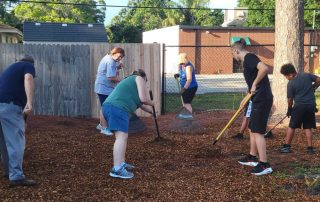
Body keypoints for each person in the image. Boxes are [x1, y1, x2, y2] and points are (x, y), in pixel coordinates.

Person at [231, 38, 273, 176]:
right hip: (256, 98)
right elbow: (253, 86)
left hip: (262, 98)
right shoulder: (248, 60)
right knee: (251, 128)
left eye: (233, 54)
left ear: (236, 50)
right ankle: (252, 157)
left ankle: (264, 164)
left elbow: (264, 68)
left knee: (258, 131)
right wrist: (246, 97)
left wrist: (254, 84)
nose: (233, 56)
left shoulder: (249, 57)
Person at [102, 69, 154, 179]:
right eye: (146, 81)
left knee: (123, 137)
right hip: (117, 108)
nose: (145, 84)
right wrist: (152, 103)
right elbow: (143, 99)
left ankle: (121, 164)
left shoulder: (128, 84)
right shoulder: (138, 78)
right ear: (144, 78)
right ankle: (117, 169)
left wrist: (151, 111)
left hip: (110, 107)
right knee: (121, 137)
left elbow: (139, 103)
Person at [0, 55, 37, 187]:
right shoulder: (28, 66)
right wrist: (29, 102)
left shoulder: (10, 69)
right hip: (9, 106)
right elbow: (28, 78)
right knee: (16, 142)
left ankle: (9, 171)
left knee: (4, 141)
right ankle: (16, 176)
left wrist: (24, 120)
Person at [279, 63, 320, 155]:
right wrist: (314, 87)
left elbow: (290, 99)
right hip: (311, 106)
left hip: (299, 107)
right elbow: (319, 80)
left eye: (286, 76)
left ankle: (286, 146)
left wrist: (289, 109)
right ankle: (310, 148)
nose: (286, 78)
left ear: (290, 74)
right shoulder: (307, 75)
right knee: (308, 126)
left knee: (292, 126)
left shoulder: (291, 83)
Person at [94, 47, 124, 136]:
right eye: (119, 56)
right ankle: (104, 128)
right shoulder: (110, 61)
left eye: (121, 57)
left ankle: (101, 125)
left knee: (104, 106)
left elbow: (111, 71)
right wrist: (122, 81)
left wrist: (118, 67)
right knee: (105, 107)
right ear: (114, 53)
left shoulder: (108, 58)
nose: (120, 59)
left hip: (102, 87)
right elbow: (111, 77)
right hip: (104, 88)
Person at [174, 53, 198, 118]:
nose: (182, 64)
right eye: (181, 63)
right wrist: (178, 75)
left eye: (182, 63)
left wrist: (184, 89)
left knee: (187, 103)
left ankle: (188, 120)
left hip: (191, 87)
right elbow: (182, 74)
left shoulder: (188, 67)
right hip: (185, 87)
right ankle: (186, 117)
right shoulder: (182, 65)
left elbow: (189, 79)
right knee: (184, 103)